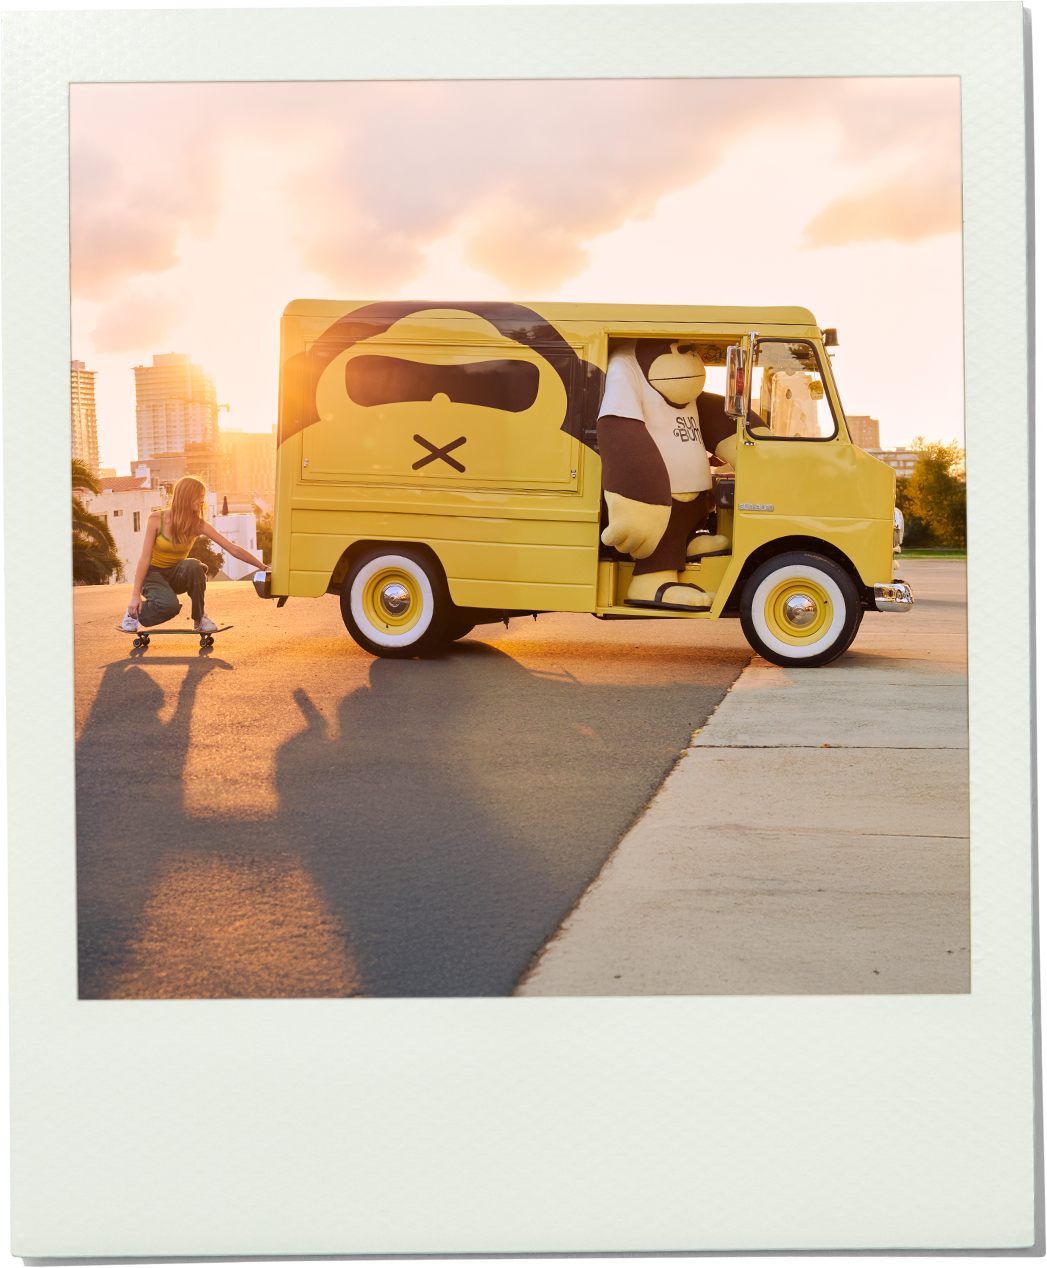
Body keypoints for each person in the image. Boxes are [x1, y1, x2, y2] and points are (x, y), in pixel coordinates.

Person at [121, 475, 270, 633]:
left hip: (176, 575)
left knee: (194, 566)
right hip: (152, 575)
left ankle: (199, 619)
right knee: (170, 607)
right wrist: (135, 595)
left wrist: (263, 567)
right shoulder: (157, 519)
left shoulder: (198, 524)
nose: (202, 501)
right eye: (198, 496)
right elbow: (144, 558)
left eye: (202, 497)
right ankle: (133, 615)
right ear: (185, 496)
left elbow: (232, 549)